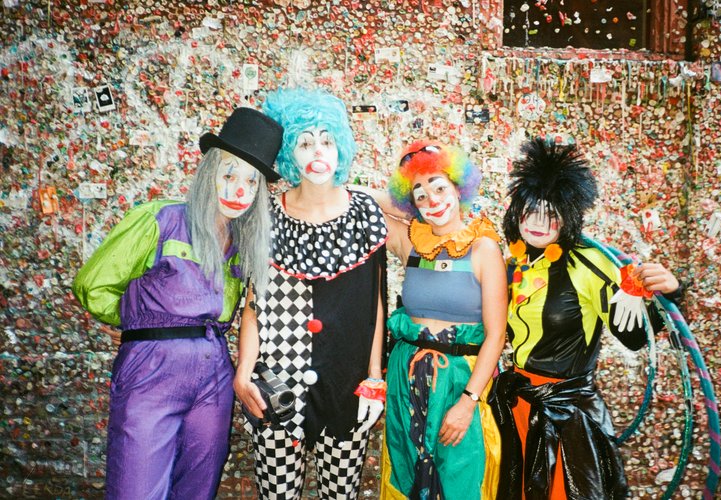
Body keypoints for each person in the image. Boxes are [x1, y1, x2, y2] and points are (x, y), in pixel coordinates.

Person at [72, 107, 283, 500]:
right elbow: (93, 284)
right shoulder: (160, 219)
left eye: (251, 182)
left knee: (198, 485)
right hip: (152, 366)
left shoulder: (243, 246)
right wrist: (137, 322)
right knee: (136, 487)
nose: (239, 190)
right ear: (209, 173)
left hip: (214, 372)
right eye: (229, 175)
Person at [490, 138, 685, 499]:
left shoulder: (589, 263)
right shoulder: (513, 264)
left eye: (552, 213)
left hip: (568, 418)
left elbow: (632, 338)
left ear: (568, 215)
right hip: (518, 408)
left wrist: (670, 293)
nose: (539, 222)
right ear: (517, 211)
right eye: (531, 210)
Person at [234, 88, 388, 499]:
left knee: (341, 493)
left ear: (341, 148)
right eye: (305, 142)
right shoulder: (268, 215)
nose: (317, 151)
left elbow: (374, 304)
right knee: (277, 494)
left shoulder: (365, 213)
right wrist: (244, 371)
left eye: (327, 140)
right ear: (290, 153)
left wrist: (374, 377)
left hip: (345, 384)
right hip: (276, 382)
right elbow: (253, 304)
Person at [376, 140, 507, 499]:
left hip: (460, 381)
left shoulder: (484, 248)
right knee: (406, 477)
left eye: (439, 187)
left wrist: (467, 402)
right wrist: (405, 202)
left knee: (460, 480)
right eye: (420, 195)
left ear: (458, 188)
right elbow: (358, 198)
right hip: (406, 382)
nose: (432, 200)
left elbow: (496, 336)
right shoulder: (410, 242)